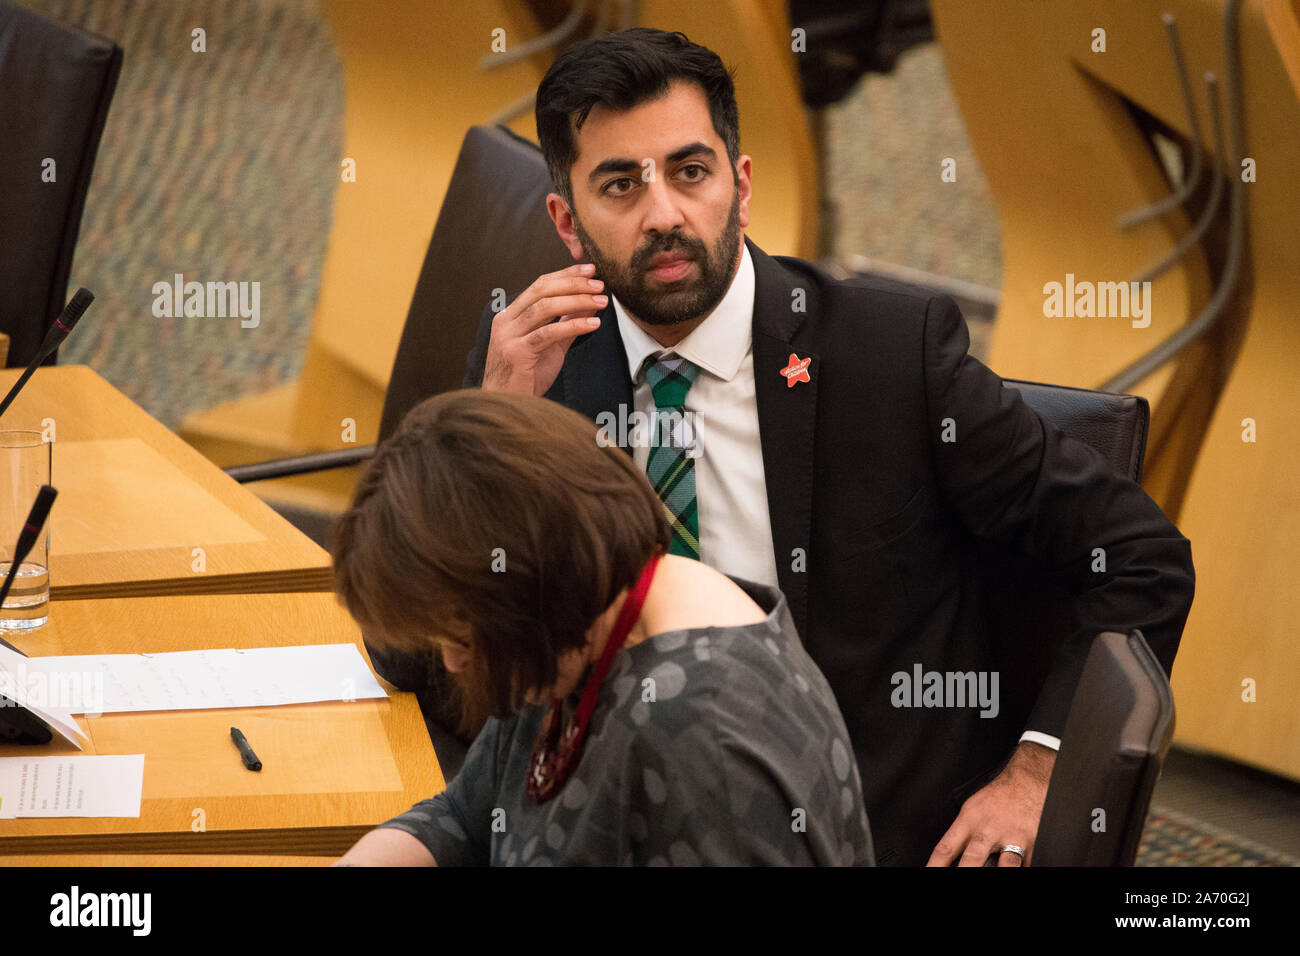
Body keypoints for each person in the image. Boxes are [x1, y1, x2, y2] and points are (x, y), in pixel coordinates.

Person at [435, 27, 1195, 866]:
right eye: (620, 185)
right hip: (596, 824)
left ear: (742, 184)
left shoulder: (888, 356)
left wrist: (1039, 770)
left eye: (691, 172)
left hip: (847, 834)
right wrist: (494, 431)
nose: (665, 215)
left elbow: (1138, 558)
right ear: (568, 224)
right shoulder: (538, 372)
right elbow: (421, 657)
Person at [332, 389, 874, 866]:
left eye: (462, 636)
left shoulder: (698, 732)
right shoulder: (578, 630)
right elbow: (468, 817)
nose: (451, 663)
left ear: (529, 579)